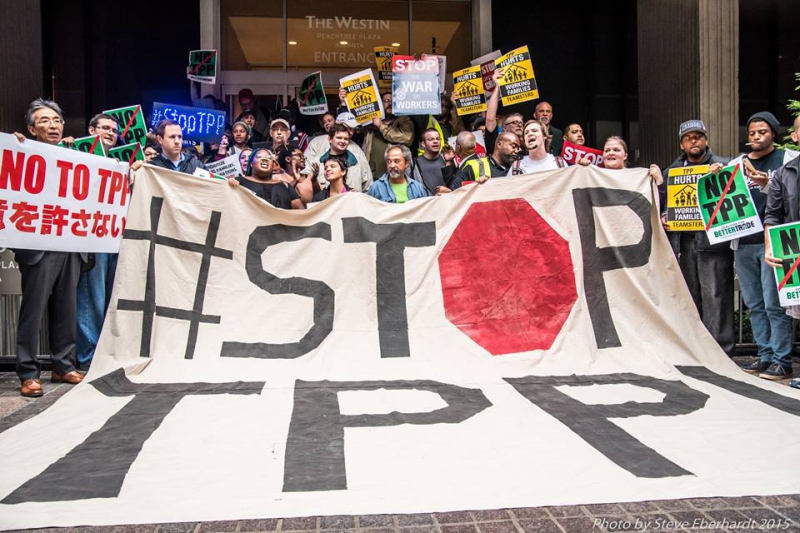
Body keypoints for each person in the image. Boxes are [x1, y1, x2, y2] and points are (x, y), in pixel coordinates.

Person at [12, 99, 87, 396]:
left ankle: (63, 365)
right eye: (44, 121)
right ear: (32, 129)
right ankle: (28, 372)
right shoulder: (21, 153)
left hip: (71, 241)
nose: (53, 126)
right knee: (33, 310)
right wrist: (14, 148)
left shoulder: (77, 156)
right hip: (39, 244)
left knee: (67, 307)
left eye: (57, 120)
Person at [657, 120, 734, 356]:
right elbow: (662, 204)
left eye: (698, 136)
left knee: (716, 296)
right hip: (683, 243)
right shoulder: (671, 172)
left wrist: (723, 177)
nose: (693, 141)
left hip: (714, 243)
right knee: (689, 299)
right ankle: (698, 352)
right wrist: (663, 216)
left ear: (706, 140)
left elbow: (735, 200)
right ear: (682, 144)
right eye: (688, 138)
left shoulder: (724, 165)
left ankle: (721, 352)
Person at [735, 111, 795, 380]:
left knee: (774, 304)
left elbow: (788, 196)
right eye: (752, 133)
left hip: (775, 242)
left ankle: (782, 359)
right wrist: (714, 175)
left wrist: (767, 184)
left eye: (762, 132)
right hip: (744, 243)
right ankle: (765, 355)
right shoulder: (737, 163)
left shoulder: (787, 159)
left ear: (773, 133)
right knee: (754, 304)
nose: (756, 137)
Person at [75, 113, 124, 371]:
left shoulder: (122, 161)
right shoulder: (76, 154)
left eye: (114, 130)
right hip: (91, 237)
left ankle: (103, 353)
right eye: (105, 128)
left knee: (109, 297)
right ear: (91, 130)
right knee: (91, 297)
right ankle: (88, 356)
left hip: (115, 237)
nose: (110, 133)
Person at [764, 115, 800, 385]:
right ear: (795, 137)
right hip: (793, 249)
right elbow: (773, 215)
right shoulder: (783, 174)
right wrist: (769, 246)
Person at [362, 91, 415, 178]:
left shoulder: (404, 120)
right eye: (386, 101)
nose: (390, 103)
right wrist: (344, 104)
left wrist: (381, 126)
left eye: (393, 101)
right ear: (380, 104)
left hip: (396, 175)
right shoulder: (370, 123)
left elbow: (407, 138)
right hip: (373, 175)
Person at [232, 148, 305, 210]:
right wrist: (230, 186)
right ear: (251, 163)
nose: (265, 159)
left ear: (273, 165)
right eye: (259, 157)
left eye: (269, 158)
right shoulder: (238, 182)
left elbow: (301, 213)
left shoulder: (285, 185)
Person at [316, 123, 372, 192]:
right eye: (339, 138)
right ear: (330, 139)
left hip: (353, 198)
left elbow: (368, 186)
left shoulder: (358, 159)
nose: (343, 141)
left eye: (346, 139)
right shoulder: (318, 162)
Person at [412, 128, 456, 195]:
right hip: (428, 200)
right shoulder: (415, 163)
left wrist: (449, 162)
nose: (435, 141)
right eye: (431, 139)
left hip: (447, 199)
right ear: (423, 144)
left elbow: (454, 184)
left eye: (438, 139)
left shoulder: (447, 159)